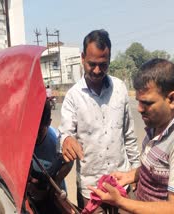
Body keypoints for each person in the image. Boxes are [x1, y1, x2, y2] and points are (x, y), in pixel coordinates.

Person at [89, 58, 174, 214]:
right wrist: (130, 176)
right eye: (138, 101)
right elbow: (155, 170)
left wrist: (120, 202)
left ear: (172, 99)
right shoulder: (156, 126)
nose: (139, 109)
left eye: (147, 103)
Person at [58, 29, 140, 213]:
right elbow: (65, 134)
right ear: (82, 58)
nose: (97, 70)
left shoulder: (119, 88)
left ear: (109, 60)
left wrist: (135, 172)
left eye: (103, 65)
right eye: (91, 64)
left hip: (122, 184)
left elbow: (129, 135)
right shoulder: (73, 97)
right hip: (91, 189)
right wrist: (66, 140)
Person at [26, 100, 74, 214]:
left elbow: (69, 162)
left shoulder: (58, 143)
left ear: (49, 122)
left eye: (40, 131)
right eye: (32, 131)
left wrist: (57, 180)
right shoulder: (22, 138)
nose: (36, 137)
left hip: (52, 192)